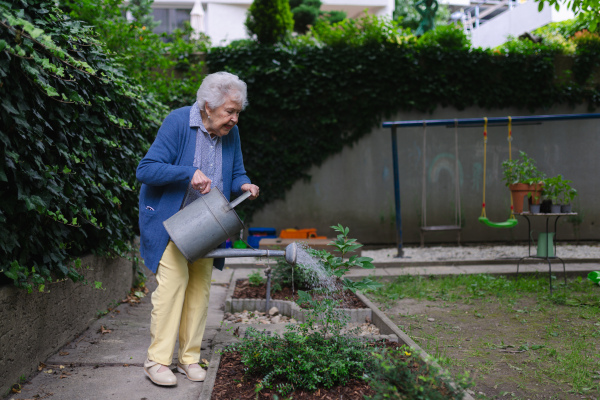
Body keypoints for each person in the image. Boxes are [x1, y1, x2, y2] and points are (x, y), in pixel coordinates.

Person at [136, 71, 259, 386]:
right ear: (207, 106)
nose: (234, 119)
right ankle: (157, 361)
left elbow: (236, 172)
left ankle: (189, 359)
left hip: (207, 224)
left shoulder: (231, 134)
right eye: (229, 111)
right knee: (172, 287)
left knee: (199, 291)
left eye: (237, 112)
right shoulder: (178, 122)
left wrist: (243, 183)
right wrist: (187, 173)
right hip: (172, 223)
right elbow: (146, 169)